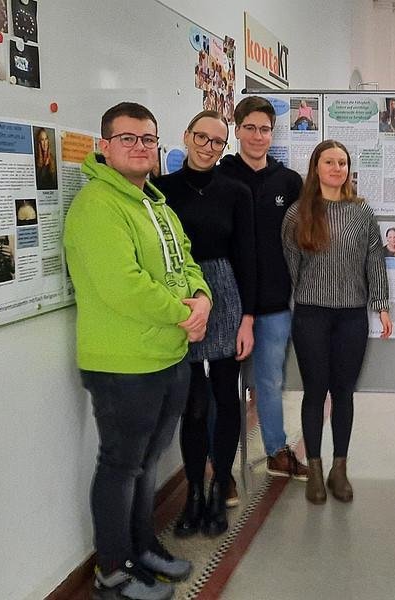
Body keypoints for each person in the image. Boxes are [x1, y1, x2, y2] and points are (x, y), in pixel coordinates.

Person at [63, 102, 213, 600]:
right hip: (122, 365)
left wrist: (203, 300)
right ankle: (112, 572)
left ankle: (142, 548)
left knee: (148, 464)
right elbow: (122, 285)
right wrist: (183, 311)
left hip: (169, 357)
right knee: (121, 465)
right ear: (104, 146)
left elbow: (187, 261)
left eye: (148, 139)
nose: (141, 147)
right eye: (128, 138)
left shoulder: (156, 203)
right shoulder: (97, 207)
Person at [154, 110, 255, 538]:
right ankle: (193, 493)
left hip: (226, 292)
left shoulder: (236, 191)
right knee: (193, 404)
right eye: (202, 137)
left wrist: (247, 318)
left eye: (218, 141)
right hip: (181, 296)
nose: (209, 146)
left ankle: (219, 488)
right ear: (187, 135)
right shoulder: (160, 190)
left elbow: (248, 258)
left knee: (226, 397)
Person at [282, 140, 392, 504]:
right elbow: (291, 265)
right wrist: (307, 297)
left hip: (351, 316)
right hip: (312, 314)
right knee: (315, 392)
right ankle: (314, 468)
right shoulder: (299, 213)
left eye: (342, 162)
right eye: (329, 161)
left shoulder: (361, 212)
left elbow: (374, 260)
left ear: (349, 169)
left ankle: (339, 469)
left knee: (344, 393)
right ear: (316, 167)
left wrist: (382, 305)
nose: (336, 168)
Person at [217, 96, 309, 481]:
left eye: (265, 129)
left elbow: (305, 235)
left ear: (274, 133)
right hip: (225, 300)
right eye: (250, 128)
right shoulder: (220, 176)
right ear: (237, 130)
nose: (258, 136)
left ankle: (275, 451)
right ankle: (220, 468)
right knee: (221, 387)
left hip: (273, 301)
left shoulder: (288, 182)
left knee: (270, 380)